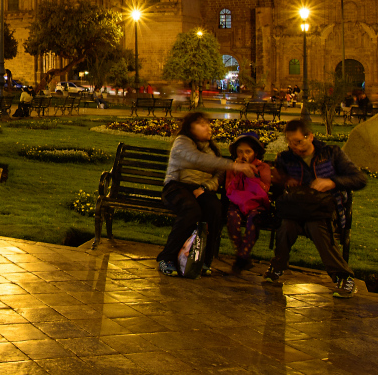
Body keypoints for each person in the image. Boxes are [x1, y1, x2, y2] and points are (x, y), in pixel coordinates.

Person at [264, 119, 367, 298]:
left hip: (323, 210)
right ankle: (277, 266)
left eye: (298, 141)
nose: (294, 146)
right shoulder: (285, 158)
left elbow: (359, 179)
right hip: (296, 209)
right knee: (286, 226)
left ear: (310, 137)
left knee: (317, 229)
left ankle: (343, 278)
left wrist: (332, 182)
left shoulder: (330, 153)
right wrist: (283, 179)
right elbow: (277, 182)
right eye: (290, 142)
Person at [155, 112, 255, 277]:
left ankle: (203, 260)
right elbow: (196, 159)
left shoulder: (213, 149)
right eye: (202, 124)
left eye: (208, 124)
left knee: (214, 209)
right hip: (177, 187)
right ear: (190, 127)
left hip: (200, 189)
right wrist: (234, 166)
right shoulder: (182, 142)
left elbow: (218, 173)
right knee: (191, 210)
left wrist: (206, 187)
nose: (207, 127)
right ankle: (167, 258)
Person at [224, 133, 272, 273]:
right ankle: (243, 256)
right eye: (240, 151)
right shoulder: (232, 167)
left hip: (257, 205)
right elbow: (229, 189)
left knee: (254, 220)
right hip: (237, 203)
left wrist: (252, 176)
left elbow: (264, 190)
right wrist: (237, 171)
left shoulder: (263, 168)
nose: (243, 155)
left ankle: (241, 258)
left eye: (247, 151)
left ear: (255, 153)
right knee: (232, 218)